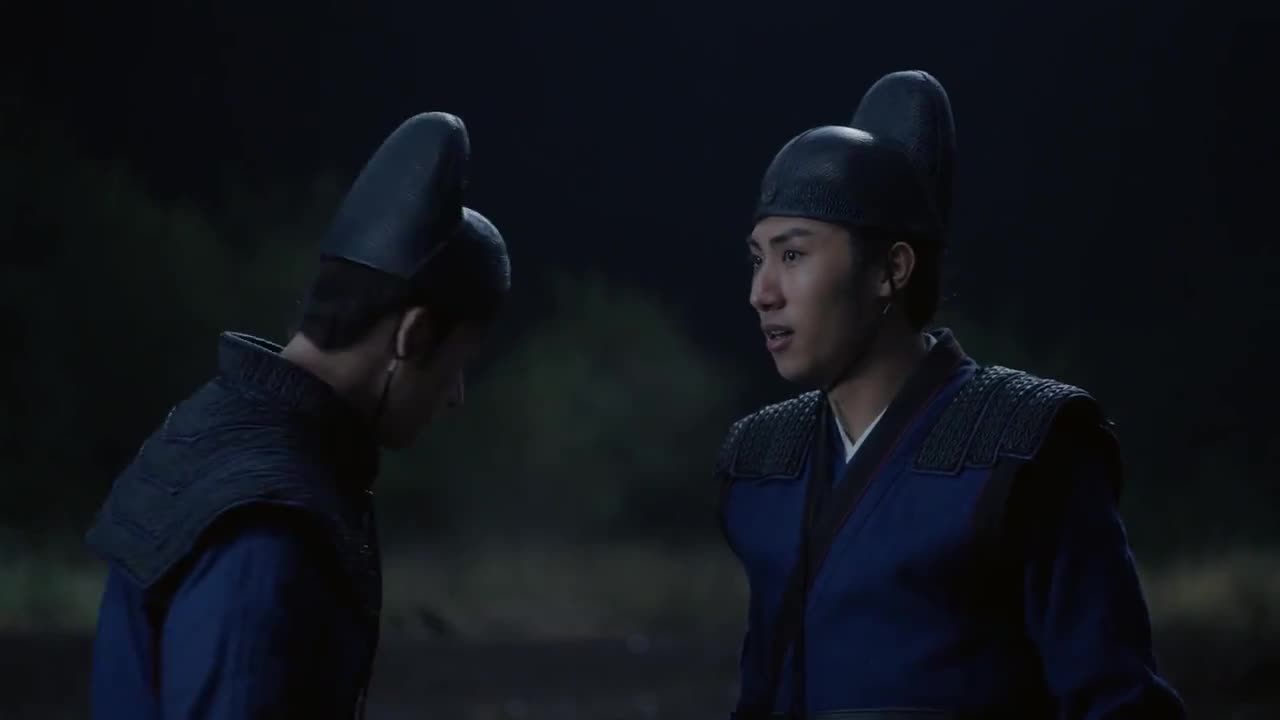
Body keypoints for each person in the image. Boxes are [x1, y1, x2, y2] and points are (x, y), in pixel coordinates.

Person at [716, 70, 1186, 719]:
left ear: (891, 268)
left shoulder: (1023, 444)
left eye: (792, 256)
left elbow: (1116, 702)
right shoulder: (764, 462)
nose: (761, 293)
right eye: (757, 258)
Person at [85, 111, 512, 719]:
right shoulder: (269, 524)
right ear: (412, 336)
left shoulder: (216, 433)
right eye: (457, 363)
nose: (456, 395)